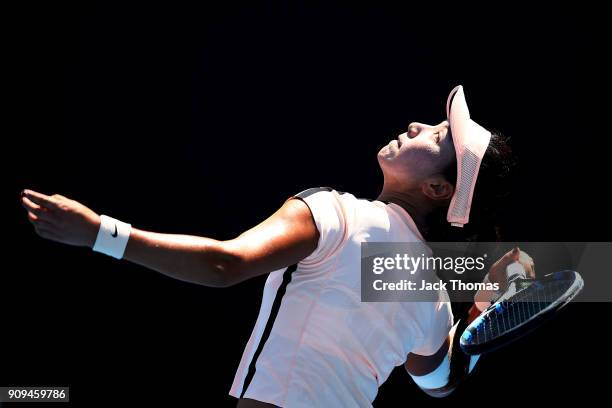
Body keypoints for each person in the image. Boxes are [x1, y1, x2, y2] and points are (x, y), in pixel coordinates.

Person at [21, 86, 533, 407]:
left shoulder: (339, 214)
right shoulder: (432, 298)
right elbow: (442, 381)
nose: (419, 125)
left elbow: (226, 264)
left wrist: (99, 233)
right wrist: (483, 309)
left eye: (440, 138)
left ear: (439, 191)